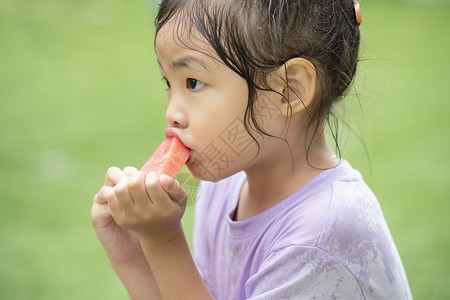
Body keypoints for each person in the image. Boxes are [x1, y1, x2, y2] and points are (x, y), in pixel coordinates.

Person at [91, 0, 413, 299]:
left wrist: (162, 242)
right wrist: (134, 256)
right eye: (168, 83)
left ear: (288, 91)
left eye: (193, 82)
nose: (171, 113)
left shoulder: (321, 235)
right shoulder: (224, 188)